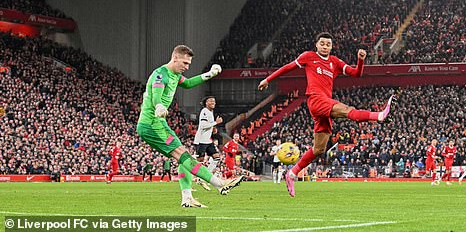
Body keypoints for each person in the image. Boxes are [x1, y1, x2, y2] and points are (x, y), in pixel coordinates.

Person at [258, 32, 395, 197]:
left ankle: (292, 173)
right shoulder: (308, 57)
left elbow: (356, 73)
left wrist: (360, 60)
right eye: (322, 43)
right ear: (316, 45)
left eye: (328, 44)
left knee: (319, 148)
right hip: (316, 100)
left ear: (331, 46)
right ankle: (378, 116)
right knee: (347, 110)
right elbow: (288, 67)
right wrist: (268, 79)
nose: (325, 46)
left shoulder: (334, 62)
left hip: (325, 103)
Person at [136, 45, 243, 208]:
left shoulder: (175, 75)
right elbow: (156, 92)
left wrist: (209, 75)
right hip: (152, 123)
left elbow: (187, 84)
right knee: (183, 155)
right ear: (175, 58)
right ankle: (219, 183)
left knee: (183, 159)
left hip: (158, 123)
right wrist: (158, 105)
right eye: (185, 63)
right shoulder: (160, 74)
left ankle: (187, 198)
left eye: (189, 64)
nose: (187, 67)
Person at [194, 96, 223, 191]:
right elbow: (202, 125)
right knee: (198, 161)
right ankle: (191, 182)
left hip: (207, 140)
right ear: (206, 103)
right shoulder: (204, 111)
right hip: (201, 140)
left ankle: (204, 178)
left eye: (214, 101)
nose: (213, 102)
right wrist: (215, 123)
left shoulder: (211, 112)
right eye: (210, 101)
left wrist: (214, 128)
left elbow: (209, 125)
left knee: (216, 157)